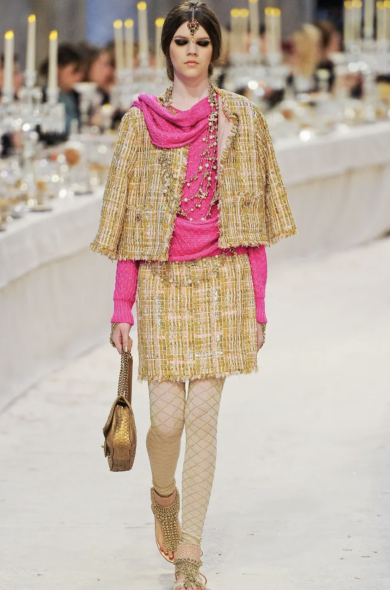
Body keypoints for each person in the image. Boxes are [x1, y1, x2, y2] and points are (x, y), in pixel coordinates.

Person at [90, 2, 297, 589]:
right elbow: (128, 223)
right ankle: (164, 495)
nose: (191, 51)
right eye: (182, 41)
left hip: (224, 281)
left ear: (215, 51)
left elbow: (254, 219)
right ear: (167, 49)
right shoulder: (140, 123)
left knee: (203, 419)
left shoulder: (243, 119)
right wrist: (121, 307)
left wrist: (258, 305)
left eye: (201, 42)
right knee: (166, 421)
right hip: (161, 282)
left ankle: (190, 554)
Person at [39, 44, 84, 133]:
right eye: (74, 71)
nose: (79, 77)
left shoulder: (76, 96)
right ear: (58, 70)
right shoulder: (43, 97)